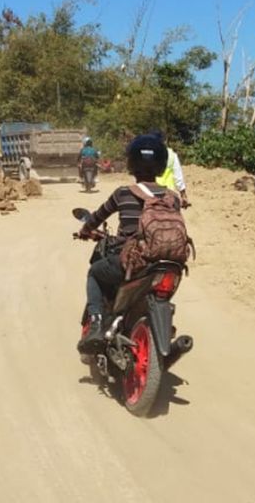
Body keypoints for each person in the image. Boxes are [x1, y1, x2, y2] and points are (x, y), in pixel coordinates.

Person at [76, 133, 171, 353]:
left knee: (95, 273)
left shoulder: (123, 193)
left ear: (131, 163)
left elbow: (97, 217)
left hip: (131, 261)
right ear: (161, 164)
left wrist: (85, 230)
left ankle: (98, 323)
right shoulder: (172, 197)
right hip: (164, 262)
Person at [154, 132, 190, 208]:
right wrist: (183, 195)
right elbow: (178, 177)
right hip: (169, 195)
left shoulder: (147, 155)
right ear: (164, 141)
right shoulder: (172, 155)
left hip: (151, 193)